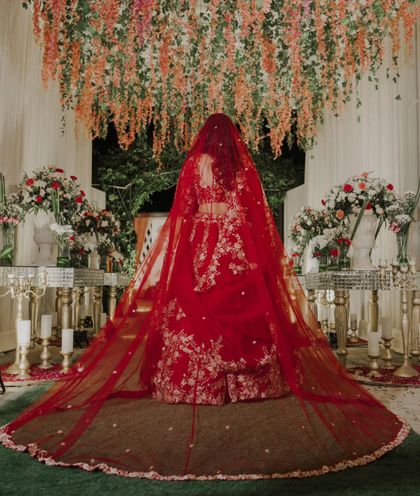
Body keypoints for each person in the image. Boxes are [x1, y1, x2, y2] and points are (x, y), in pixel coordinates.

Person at [0, 113, 409, 480]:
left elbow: (185, 209)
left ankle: (196, 384)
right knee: (240, 304)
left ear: (203, 140)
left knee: (195, 306)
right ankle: (251, 384)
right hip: (234, 245)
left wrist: (192, 240)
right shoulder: (241, 169)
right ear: (233, 142)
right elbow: (254, 215)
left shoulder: (196, 165)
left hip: (203, 240)